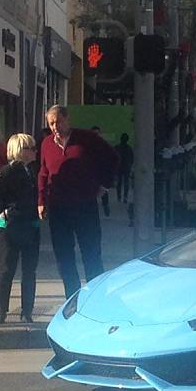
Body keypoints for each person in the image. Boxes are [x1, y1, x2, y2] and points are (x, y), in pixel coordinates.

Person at [38, 105, 119, 298]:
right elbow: (43, 173)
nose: (55, 127)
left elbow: (113, 158)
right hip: (58, 208)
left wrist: (105, 184)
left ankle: (96, 299)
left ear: (67, 119)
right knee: (64, 257)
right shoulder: (47, 144)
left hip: (84, 206)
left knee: (91, 255)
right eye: (51, 123)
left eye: (57, 121)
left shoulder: (87, 139)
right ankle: (72, 299)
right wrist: (41, 199)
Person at [0, 134, 40, 324]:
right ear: (21, 150)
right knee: (8, 269)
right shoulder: (6, 172)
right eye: (31, 148)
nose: (35, 151)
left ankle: (26, 310)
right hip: (13, 226)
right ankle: (2, 311)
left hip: (30, 225)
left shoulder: (31, 171)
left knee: (28, 270)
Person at [91, 125, 111, 217]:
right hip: (91, 171)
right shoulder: (87, 145)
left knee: (103, 190)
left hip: (101, 171)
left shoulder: (104, 145)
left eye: (97, 134)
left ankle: (105, 205)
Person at [114, 133, 134, 203]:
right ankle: (125, 197)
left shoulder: (117, 147)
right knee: (126, 183)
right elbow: (132, 159)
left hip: (119, 167)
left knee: (119, 183)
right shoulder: (129, 148)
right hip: (126, 167)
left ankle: (119, 197)